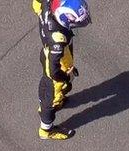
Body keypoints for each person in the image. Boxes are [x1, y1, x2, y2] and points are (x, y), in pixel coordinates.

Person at [32, 0, 91, 140]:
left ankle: (52, 101)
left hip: (49, 52)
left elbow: (36, 4)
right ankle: (46, 130)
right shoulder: (57, 40)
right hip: (54, 61)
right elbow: (54, 72)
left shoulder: (47, 3)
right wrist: (66, 77)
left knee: (52, 85)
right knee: (53, 94)